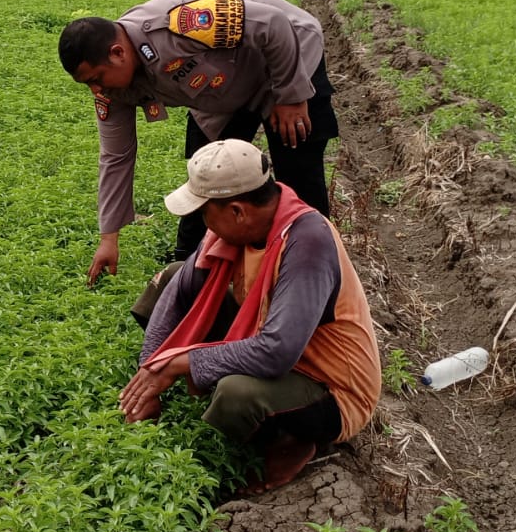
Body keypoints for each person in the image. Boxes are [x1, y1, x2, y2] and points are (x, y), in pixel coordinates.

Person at [119, 139, 381, 493]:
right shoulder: (232, 231)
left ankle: (293, 442)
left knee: (236, 395)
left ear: (238, 211)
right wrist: (150, 371)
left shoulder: (307, 242)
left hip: (328, 387)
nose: (202, 221)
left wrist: (180, 363)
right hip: (270, 341)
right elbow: (179, 288)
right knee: (167, 280)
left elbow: (276, 352)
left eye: (203, 210)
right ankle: (195, 377)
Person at [58, 0, 338, 286]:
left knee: (297, 167)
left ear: (118, 53)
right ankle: (188, 268)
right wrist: (108, 238)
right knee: (205, 174)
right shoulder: (112, 89)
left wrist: (291, 96)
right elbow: (116, 157)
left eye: (96, 79)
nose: (96, 90)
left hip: (287, 56)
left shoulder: (178, 23)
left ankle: (316, 269)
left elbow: (273, 24)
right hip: (223, 89)